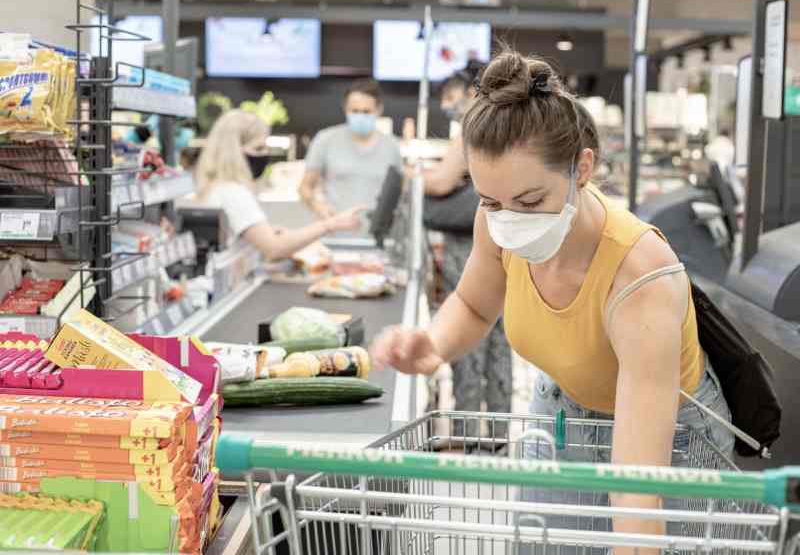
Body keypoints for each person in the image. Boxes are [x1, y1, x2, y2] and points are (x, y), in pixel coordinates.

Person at [372, 50, 733, 544]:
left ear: (580, 168)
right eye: (489, 201)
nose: (508, 220)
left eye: (530, 201)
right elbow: (476, 305)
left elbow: (638, 491)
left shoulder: (638, 277)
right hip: (563, 414)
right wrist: (433, 344)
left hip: (672, 441)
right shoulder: (497, 225)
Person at [422, 62, 512, 442]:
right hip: (509, 241)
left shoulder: (473, 130)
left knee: (469, 338)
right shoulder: (512, 126)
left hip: (470, 241)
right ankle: (500, 437)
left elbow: (441, 182)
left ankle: (467, 435)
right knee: (501, 341)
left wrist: (416, 177)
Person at [193, 110, 363, 260]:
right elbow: (275, 248)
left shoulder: (219, 187)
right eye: (259, 149)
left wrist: (266, 231)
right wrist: (330, 224)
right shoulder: (232, 192)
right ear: (234, 152)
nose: (265, 155)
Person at [299, 79, 403, 227]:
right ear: (345, 108)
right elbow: (305, 187)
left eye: (366, 111)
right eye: (355, 111)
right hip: (334, 235)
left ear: (379, 110)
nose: (360, 116)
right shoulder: (326, 139)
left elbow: (400, 191)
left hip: (378, 237)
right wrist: (319, 208)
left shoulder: (391, 145)